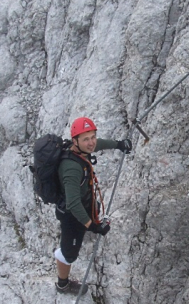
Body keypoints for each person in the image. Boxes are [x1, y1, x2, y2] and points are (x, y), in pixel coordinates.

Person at [54, 117, 132, 294]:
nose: (91, 143)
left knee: (86, 219)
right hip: (71, 215)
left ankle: (85, 228)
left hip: (84, 203)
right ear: (75, 141)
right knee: (69, 254)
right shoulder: (71, 168)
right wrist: (93, 226)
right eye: (86, 139)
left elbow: (97, 145)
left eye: (92, 137)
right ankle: (62, 284)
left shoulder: (79, 150)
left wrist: (119, 144)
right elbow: (73, 203)